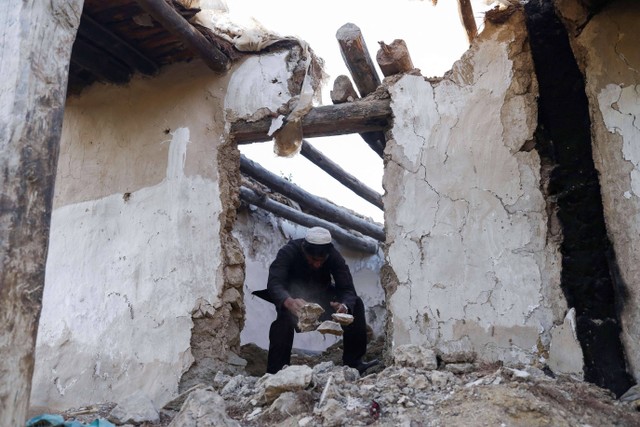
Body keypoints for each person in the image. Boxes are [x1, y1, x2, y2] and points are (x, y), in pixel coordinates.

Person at [261, 226, 378, 375]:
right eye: (313, 260)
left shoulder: (334, 256)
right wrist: (288, 301)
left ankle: (354, 364)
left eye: (321, 260)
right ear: (304, 250)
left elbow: (347, 289)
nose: (317, 264)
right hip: (295, 303)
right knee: (282, 324)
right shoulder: (288, 251)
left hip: (324, 300)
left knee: (357, 304)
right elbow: (274, 283)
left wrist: (344, 306)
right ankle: (276, 372)